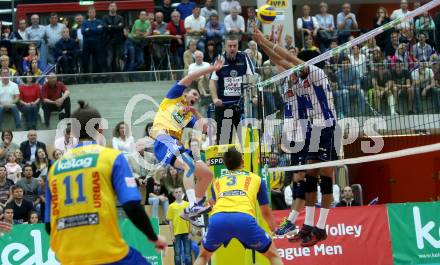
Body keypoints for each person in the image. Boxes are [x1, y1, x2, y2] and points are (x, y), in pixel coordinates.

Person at [45, 100, 167, 264]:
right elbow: (131, 206)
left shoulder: (55, 168)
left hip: (68, 258)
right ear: (100, 129)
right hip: (107, 254)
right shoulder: (112, 158)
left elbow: (48, 225)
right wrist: (153, 237)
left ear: (72, 132)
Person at [253, 25, 338, 247]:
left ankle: (319, 227)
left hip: (328, 126)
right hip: (312, 129)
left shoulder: (317, 74)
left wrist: (266, 40)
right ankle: (309, 226)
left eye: (300, 62)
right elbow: (282, 62)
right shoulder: (299, 79)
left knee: (326, 178)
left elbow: (289, 58)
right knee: (310, 176)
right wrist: (262, 44)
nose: (293, 65)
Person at [152, 58, 223, 225]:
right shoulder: (174, 96)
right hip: (162, 139)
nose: (196, 97)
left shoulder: (189, 116)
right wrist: (212, 68)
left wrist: (195, 112)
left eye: (198, 97)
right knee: (188, 166)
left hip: (174, 142)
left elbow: (205, 129)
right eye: (194, 94)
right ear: (186, 93)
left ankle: (194, 207)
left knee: (206, 174)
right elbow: (192, 76)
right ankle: (192, 205)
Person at [194, 147, 282, 265]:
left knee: (203, 256)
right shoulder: (256, 179)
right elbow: (265, 211)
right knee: (273, 256)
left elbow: (213, 202)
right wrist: (273, 227)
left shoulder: (217, 181)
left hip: (218, 219)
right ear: (243, 162)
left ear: (225, 165)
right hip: (243, 218)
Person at [209, 37, 256, 145]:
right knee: (224, 141)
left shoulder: (244, 57)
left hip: (242, 106)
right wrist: (215, 98)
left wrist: (254, 96)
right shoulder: (219, 59)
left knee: (246, 140)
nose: (232, 48)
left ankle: (246, 161)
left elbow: (251, 78)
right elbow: (212, 81)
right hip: (224, 106)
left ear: (238, 46)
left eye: (234, 46)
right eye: (229, 46)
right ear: (225, 46)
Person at [167, 187, 192, 265]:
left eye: (179, 192)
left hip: (187, 233)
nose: (178, 194)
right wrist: (172, 235)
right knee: (177, 255)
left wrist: (190, 233)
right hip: (176, 233)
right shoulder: (171, 206)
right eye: (176, 192)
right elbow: (170, 222)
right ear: (174, 194)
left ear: (182, 193)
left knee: (188, 254)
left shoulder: (187, 204)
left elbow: (191, 219)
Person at [81, 6, 105, 74]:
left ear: (95, 13)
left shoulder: (99, 21)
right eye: (90, 12)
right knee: (85, 61)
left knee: (97, 61)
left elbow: (100, 31)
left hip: (97, 44)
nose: (92, 14)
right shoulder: (84, 22)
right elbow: (83, 32)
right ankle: (86, 77)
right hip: (87, 45)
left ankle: (96, 77)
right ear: (88, 13)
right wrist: (95, 29)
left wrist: (89, 29)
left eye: (93, 12)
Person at [102, 1, 125, 73]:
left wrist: (110, 26)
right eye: (111, 6)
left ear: (116, 8)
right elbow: (105, 28)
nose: (113, 7)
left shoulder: (120, 17)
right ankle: (109, 76)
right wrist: (116, 26)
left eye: (114, 6)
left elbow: (121, 27)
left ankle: (117, 76)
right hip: (108, 42)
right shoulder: (105, 17)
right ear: (108, 8)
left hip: (118, 41)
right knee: (109, 59)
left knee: (117, 59)